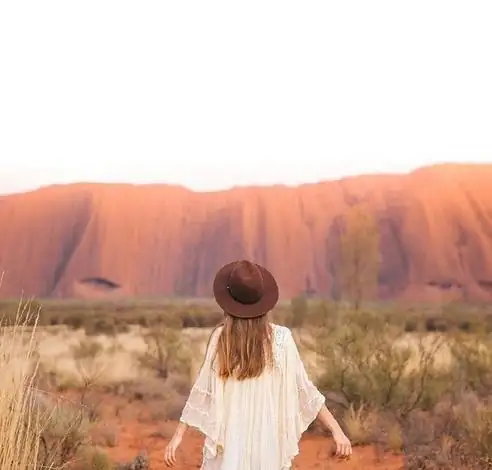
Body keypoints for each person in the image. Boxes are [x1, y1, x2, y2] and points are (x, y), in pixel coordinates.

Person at [164, 260, 352, 469]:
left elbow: (201, 391)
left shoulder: (221, 338)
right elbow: (305, 392)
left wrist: (178, 436)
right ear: (263, 302)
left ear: (228, 303)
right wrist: (337, 431)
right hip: (267, 446)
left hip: (229, 448)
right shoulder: (281, 339)